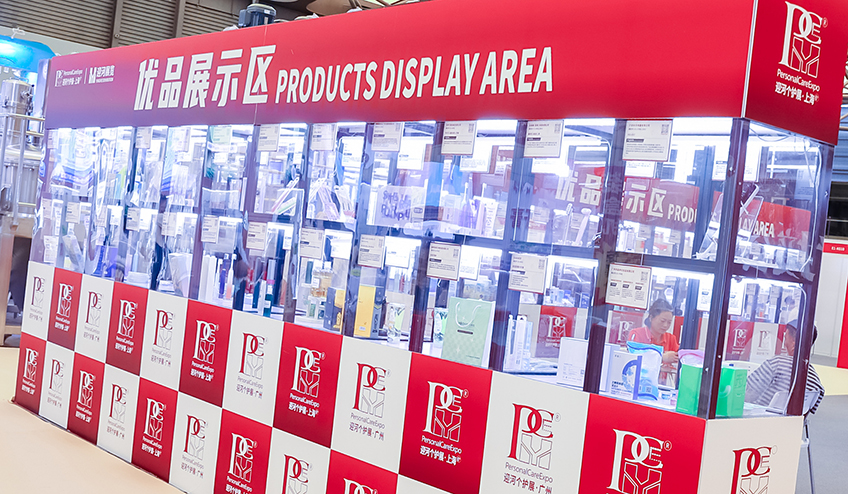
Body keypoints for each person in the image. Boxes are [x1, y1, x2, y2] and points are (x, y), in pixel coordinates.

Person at [745, 321, 825, 414]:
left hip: (758, 419)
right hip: (789, 423)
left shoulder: (775, 364)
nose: (784, 343)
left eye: (785, 338)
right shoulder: (816, 383)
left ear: (794, 342)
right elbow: (805, 414)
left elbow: (746, 394)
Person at [627, 298, 679, 367]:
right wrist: (661, 357)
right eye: (662, 321)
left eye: (669, 322)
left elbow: (679, 357)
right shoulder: (636, 334)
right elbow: (633, 359)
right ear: (651, 318)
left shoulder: (671, 338)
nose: (665, 325)